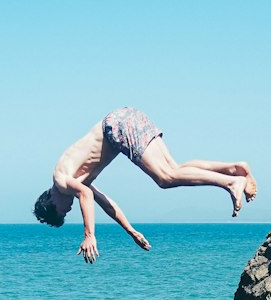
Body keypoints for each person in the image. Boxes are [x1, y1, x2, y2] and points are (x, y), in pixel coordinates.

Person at [33, 106, 257, 263]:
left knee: (165, 179)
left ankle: (230, 183)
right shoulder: (74, 178)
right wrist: (131, 231)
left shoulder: (61, 180)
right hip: (125, 118)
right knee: (174, 169)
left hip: (117, 127)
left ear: (51, 201)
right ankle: (234, 169)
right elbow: (105, 204)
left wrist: (89, 234)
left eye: (64, 210)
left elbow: (86, 197)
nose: (69, 208)